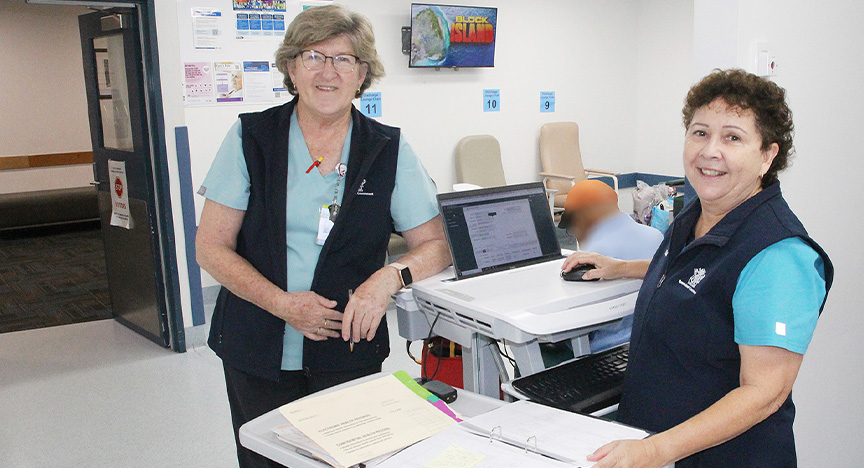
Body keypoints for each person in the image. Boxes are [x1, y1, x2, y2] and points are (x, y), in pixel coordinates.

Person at [195, 6, 451, 467]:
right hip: (257, 344)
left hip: (348, 347)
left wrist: (387, 280)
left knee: (345, 459)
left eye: (344, 59)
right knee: (267, 459)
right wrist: (281, 303)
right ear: (292, 68)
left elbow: (436, 244)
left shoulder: (388, 149)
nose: (328, 72)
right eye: (313, 56)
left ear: (362, 75)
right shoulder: (252, 138)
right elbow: (210, 247)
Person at [563, 69, 833, 467]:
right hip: (655, 442)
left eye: (733, 137)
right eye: (700, 132)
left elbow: (765, 393)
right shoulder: (698, 215)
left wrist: (656, 450)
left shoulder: (779, 255)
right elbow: (697, 276)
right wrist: (621, 268)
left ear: (767, 156)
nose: (710, 150)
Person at [558, 179, 663, 352]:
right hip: (650, 340)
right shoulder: (656, 235)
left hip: (607, 348)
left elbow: (578, 319)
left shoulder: (595, 255)